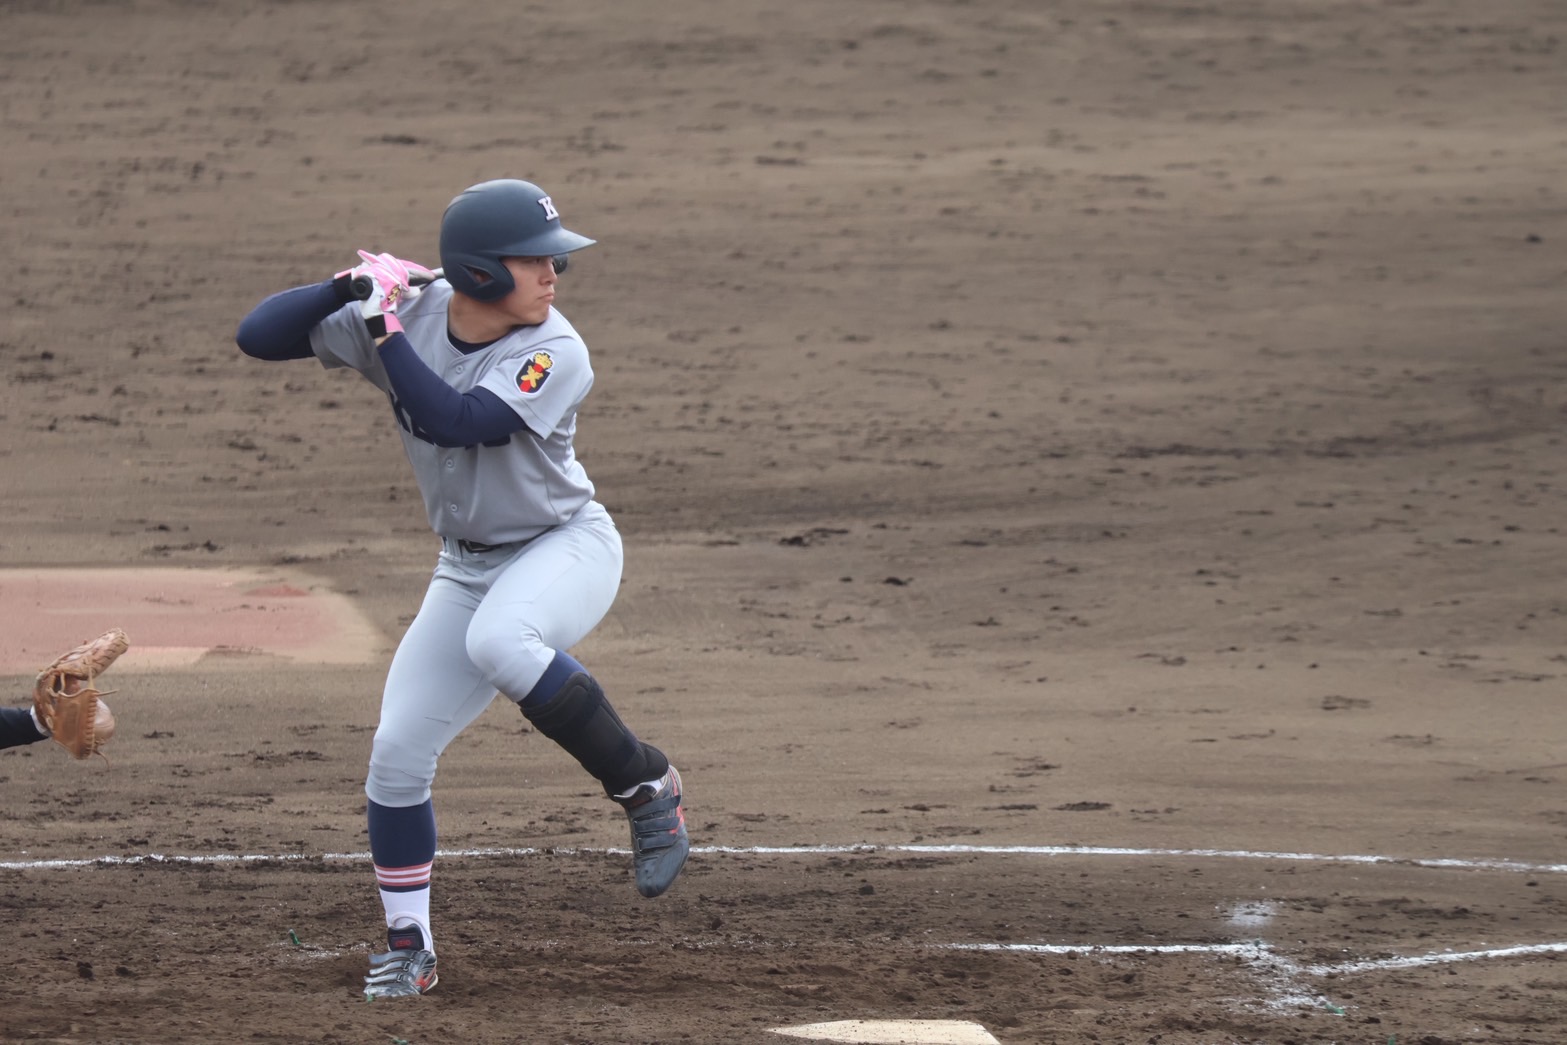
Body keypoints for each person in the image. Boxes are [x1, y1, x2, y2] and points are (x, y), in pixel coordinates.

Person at [235, 178, 690, 1000]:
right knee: (396, 755)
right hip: (466, 565)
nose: (553, 275)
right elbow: (258, 337)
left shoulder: (554, 348)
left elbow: (459, 420)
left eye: (554, 260)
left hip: (564, 546)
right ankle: (409, 947)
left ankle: (645, 785)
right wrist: (348, 286)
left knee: (501, 640)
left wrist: (380, 325)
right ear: (477, 272)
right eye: (535, 260)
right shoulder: (410, 312)